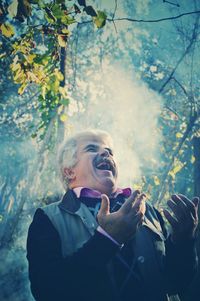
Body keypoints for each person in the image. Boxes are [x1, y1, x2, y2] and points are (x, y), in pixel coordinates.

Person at [27, 129, 199, 301]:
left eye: (109, 151)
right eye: (91, 149)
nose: (105, 153)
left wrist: (183, 241)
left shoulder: (148, 210)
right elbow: (47, 291)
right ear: (69, 172)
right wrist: (108, 239)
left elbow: (176, 283)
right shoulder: (47, 218)